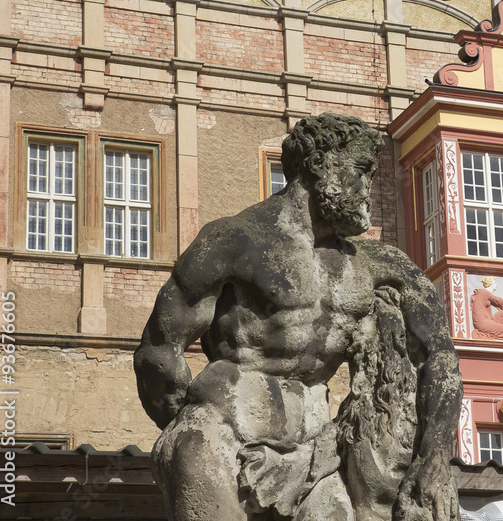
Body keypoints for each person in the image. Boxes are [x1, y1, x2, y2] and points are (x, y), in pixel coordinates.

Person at [134, 113, 462, 521]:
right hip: (222, 437)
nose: (368, 191)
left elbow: (441, 357)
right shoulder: (235, 240)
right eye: (361, 172)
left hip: (315, 456)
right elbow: (159, 352)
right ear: (321, 165)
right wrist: (189, 419)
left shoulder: (379, 265)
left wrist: (434, 457)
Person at [469, 276, 503, 341]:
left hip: (488, 321)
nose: (496, 285)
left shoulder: (484, 293)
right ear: (491, 284)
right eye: (494, 283)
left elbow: (502, 304)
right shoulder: (484, 292)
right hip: (483, 324)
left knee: (502, 313)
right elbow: (501, 301)